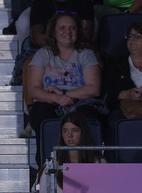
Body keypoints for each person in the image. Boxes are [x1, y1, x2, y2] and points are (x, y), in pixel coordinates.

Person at [28, 12, 102, 167]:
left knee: (87, 117)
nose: (67, 32)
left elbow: (94, 89)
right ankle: (47, 166)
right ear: (54, 32)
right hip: (49, 102)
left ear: (78, 31)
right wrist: (56, 99)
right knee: (42, 115)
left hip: (81, 102)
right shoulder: (43, 54)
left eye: (72, 28)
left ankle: (86, 166)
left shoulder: (86, 54)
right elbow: (34, 90)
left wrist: (64, 94)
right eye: (62, 28)